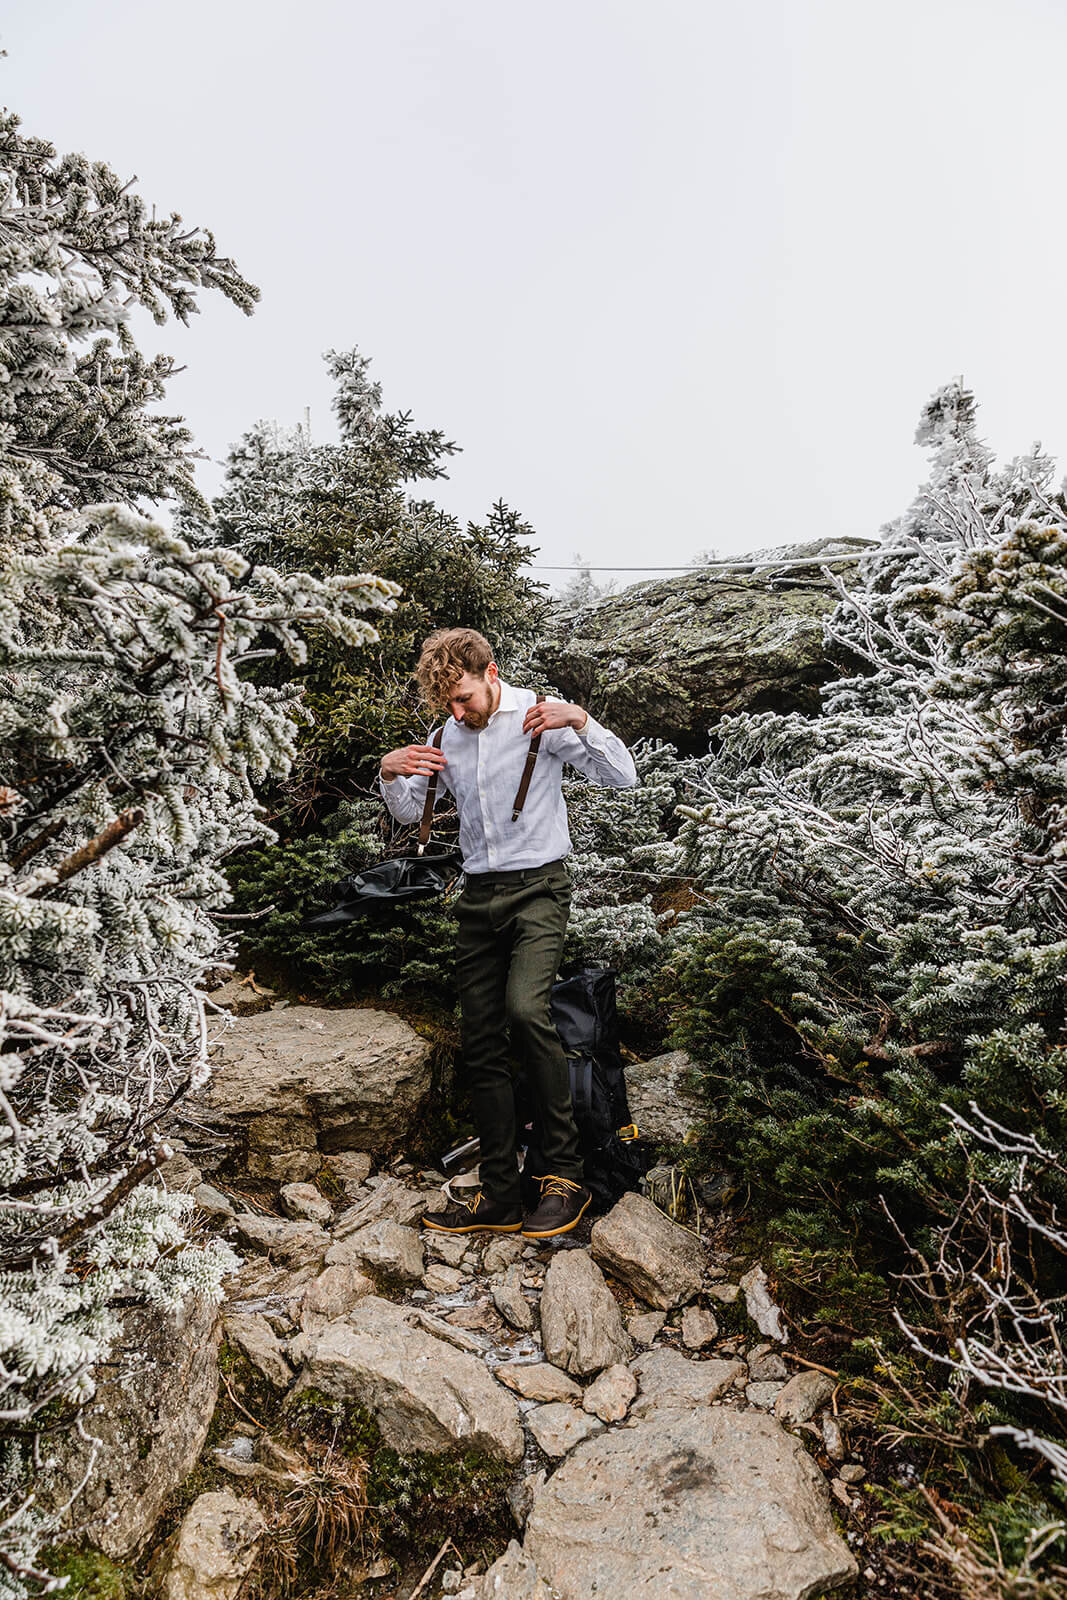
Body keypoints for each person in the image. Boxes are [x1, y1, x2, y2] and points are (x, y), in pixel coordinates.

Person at [378, 627, 638, 1238]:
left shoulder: (538, 719)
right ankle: (498, 1192)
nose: (456, 710)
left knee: (527, 1010)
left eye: (464, 696)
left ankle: (563, 1178)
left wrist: (582, 720)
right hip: (478, 897)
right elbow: (409, 810)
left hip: (540, 889)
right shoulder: (446, 734)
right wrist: (390, 772)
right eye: (446, 702)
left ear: (490, 674)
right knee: (481, 1041)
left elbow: (621, 776)